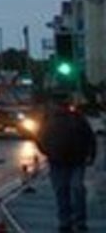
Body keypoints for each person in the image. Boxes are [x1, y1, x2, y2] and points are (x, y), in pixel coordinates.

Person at [36, 92, 96, 232]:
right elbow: (40, 138)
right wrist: (48, 152)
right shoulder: (50, 120)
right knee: (64, 191)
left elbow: (89, 137)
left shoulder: (76, 118)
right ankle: (66, 222)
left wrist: (90, 155)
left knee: (75, 189)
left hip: (75, 161)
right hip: (60, 161)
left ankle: (77, 221)